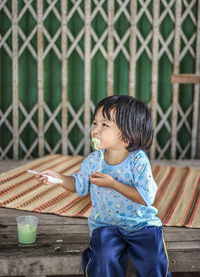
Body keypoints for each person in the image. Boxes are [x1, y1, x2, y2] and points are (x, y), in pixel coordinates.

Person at [36, 95, 171, 277]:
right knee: (102, 258)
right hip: (106, 225)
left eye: (104, 125)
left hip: (141, 225)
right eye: (95, 123)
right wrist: (58, 178)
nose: (95, 130)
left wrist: (113, 184)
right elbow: (79, 184)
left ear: (127, 135)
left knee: (154, 260)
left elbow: (145, 197)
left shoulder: (137, 161)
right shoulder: (94, 160)